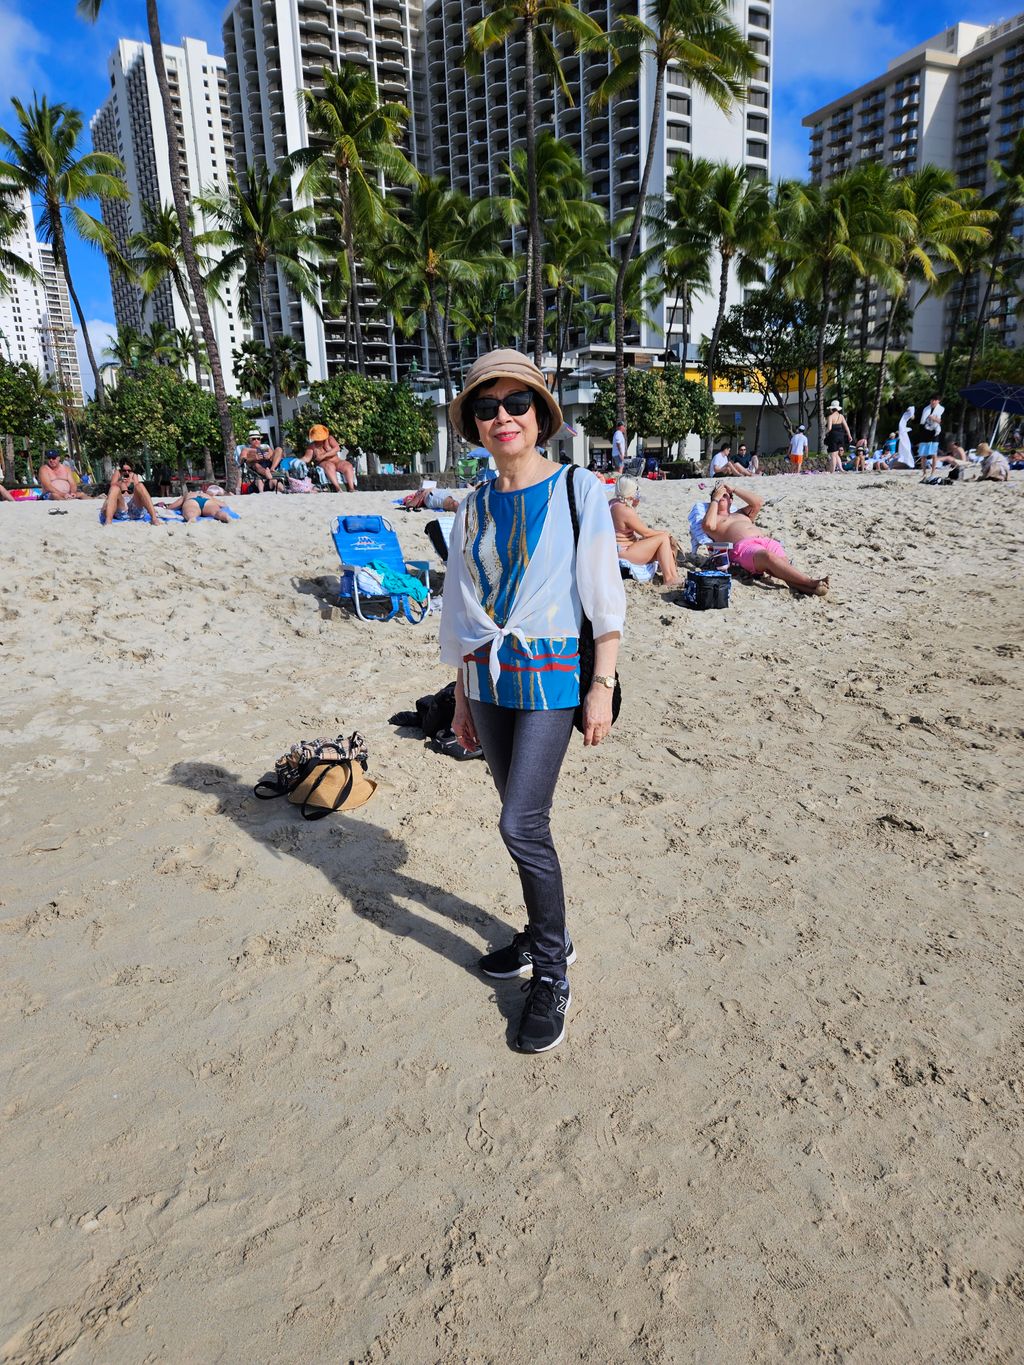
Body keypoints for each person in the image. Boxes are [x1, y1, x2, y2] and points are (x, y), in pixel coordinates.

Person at [441, 349, 626, 1054]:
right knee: (522, 822)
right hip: (488, 680)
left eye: (516, 402)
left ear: (540, 415)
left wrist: (601, 685)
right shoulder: (473, 504)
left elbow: (604, 600)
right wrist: (459, 693)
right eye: (487, 407)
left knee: (521, 822)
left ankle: (552, 970)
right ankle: (545, 930)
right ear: (474, 425)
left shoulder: (580, 489)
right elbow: (461, 605)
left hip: (553, 677)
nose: (502, 417)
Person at [702, 483, 828, 595]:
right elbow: (708, 526)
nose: (722, 497)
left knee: (782, 566)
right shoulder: (714, 520)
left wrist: (734, 489)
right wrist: (715, 499)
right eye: (719, 495)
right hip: (743, 548)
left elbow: (758, 502)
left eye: (726, 495)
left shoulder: (741, 513)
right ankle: (811, 582)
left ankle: (811, 590)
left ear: (731, 500)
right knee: (769, 557)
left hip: (765, 541)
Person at [608, 475, 680, 586]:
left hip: (617, 548)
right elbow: (646, 532)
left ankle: (673, 575)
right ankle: (670, 578)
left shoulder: (613, 503)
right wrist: (665, 533)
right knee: (663, 539)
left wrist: (633, 506)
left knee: (662, 543)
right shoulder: (626, 511)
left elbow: (623, 525)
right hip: (625, 551)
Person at [100, 461, 160, 526]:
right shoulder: (118, 473)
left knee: (140, 485)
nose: (127, 472)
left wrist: (131, 482)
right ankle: (108, 521)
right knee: (114, 488)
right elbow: (112, 486)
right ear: (121, 470)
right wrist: (120, 482)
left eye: (129, 470)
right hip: (122, 504)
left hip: (134, 503)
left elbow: (140, 491)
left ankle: (154, 518)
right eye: (124, 470)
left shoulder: (134, 475)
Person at [306, 424, 356, 493]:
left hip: (336, 460)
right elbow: (307, 458)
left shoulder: (329, 439)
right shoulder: (312, 446)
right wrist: (297, 461)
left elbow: (337, 448)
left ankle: (351, 488)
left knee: (348, 466)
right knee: (329, 466)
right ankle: (338, 488)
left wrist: (324, 455)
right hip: (323, 463)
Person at [157, 490, 233, 522]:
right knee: (216, 512)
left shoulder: (188, 494)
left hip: (192, 500)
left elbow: (175, 505)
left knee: (190, 512)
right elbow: (222, 504)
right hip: (207, 501)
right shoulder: (206, 495)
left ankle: (191, 518)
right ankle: (225, 517)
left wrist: (167, 507)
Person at [824, 400, 852, 472]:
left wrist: (824, 433)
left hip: (833, 436)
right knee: (836, 454)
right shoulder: (841, 416)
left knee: (833, 454)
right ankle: (841, 469)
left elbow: (829, 428)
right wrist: (849, 435)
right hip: (841, 436)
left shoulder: (830, 417)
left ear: (831, 409)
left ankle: (832, 470)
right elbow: (846, 427)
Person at [919, 395, 944, 469]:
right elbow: (922, 422)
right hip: (925, 432)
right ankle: (924, 471)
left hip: (935, 432)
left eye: (935, 400)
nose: (933, 401)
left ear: (938, 401)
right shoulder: (926, 409)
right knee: (923, 454)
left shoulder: (941, 409)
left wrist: (934, 418)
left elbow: (941, 422)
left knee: (934, 454)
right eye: (932, 400)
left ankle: (933, 471)